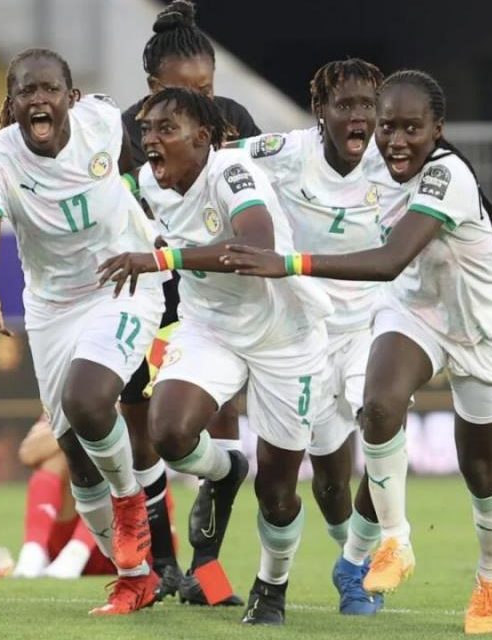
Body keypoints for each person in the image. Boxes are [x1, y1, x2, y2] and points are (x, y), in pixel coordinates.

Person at [220, 69, 492, 634]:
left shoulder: (447, 175)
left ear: (437, 130)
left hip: (480, 328)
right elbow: (234, 152)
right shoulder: (375, 160)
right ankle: (393, 542)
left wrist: (289, 261)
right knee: (378, 405)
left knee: (478, 465)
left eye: (410, 128)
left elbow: (390, 259)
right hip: (416, 312)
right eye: (387, 126)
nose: (395, 139)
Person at [98, 87, 333, 626]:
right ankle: (225, 471)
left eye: (166, 129)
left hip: (285, 335)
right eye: (147, 130)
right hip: (211, 329)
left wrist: (161, 257)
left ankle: (271, 586)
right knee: (169, 433)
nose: (151, 140)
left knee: (277, 490)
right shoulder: (147, 189)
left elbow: (254, 246)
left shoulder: (229, 170)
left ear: (203, 138)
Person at [0, 48, 166, 615]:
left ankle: (131, 504)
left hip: (122, 282)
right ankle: (134, 577)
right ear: (12, 105)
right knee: (76, 455)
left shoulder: (102, 121)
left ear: (71, 98)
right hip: (52, 307)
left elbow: (139, 168)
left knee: (87, 400)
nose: (39, 100)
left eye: (50, 89)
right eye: (27, 91)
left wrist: (152, 222)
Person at [232, 58, 387, 616]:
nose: (359, 117)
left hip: (371, 329)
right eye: (345, 105)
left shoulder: (394, 161)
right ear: (320, 110)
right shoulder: (286, 153)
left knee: (384, 431)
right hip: (301, 331)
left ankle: (356, 568)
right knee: (315, 482)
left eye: (368, 105)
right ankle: (283, 577)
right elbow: (214, 168)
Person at [120, 0, 260, 603]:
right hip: (145, 287)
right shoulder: (122, 132)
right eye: (184, 90)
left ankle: (207, 569)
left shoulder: (233, 120)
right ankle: (164, 561)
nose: (201, 102)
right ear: (153, 89)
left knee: (219, 417)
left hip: (214, 289)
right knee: (140, 426)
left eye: (207, 88)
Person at [12, 415, 118, 579]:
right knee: (62, 454)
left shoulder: (132, 394)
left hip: (129, 538)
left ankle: (77, 553)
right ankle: (33, 551)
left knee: (114, 461)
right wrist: (83, 423)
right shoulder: (65, 399)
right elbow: (28, 454)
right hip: (67, 538)